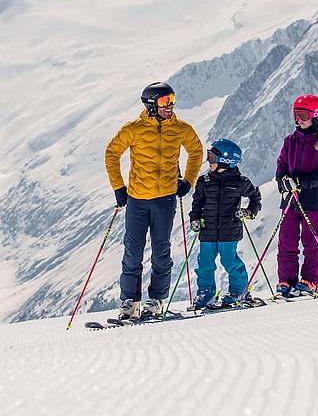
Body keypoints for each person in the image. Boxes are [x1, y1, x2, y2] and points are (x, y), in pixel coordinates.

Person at [105, 82, 203, 319]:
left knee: (161, 251)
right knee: (133, 251)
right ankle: (130, 302)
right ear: (150, 105)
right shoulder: (134, 129)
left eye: (171, 99)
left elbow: (196, 151)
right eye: (163, 101)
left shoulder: (181, 128)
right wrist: (119, 187)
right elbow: (112, 153)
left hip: (165, 200)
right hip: (138, 200)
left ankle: (157, 301)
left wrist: (188, 181)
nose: (169, 105)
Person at [275, 94, 318, 296]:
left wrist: (302, 183)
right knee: (287, 241)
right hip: (290, 199)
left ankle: (310, 280)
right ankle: (286, 280)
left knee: (312, 242)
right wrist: (283, 181)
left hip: (312, 200)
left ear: (316, 116)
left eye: (303, 115)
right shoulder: (290, 141)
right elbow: (281, 165)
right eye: (296, 114)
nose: (298, 120)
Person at [189, 138, 262, 308]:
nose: (209, 161)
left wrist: (249, 212)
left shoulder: (240, 182)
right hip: (207, 230)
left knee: (230, 261)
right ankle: (206, 292)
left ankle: (239, 290)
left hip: (229, 231)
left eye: (212, 158)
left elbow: (255, 197)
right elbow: (197, 202)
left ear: (226, 161)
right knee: (205, 263)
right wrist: (194, 218)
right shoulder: (204, 181)